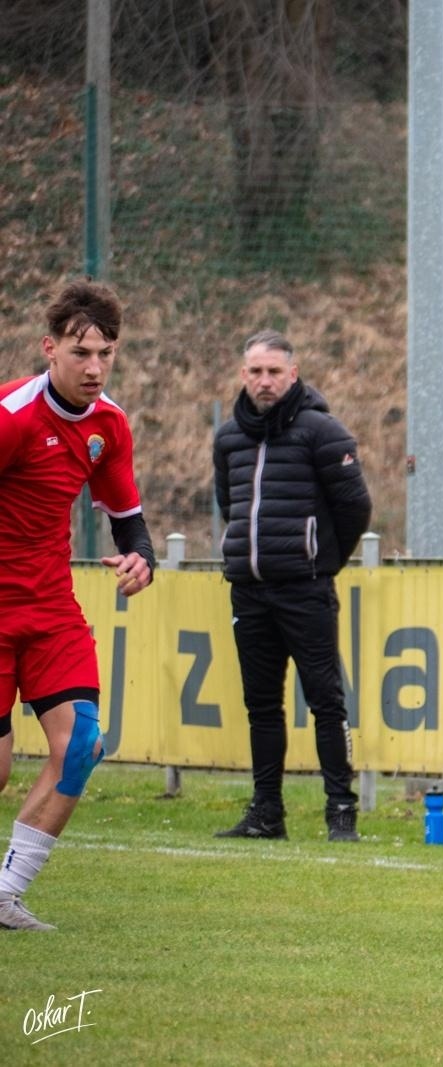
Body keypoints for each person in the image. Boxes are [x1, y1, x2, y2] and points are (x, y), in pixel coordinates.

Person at [0, 281, 155, 931]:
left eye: (107, 354)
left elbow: (128, 517)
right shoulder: (13, 416)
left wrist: (140, 557)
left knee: (83, 742)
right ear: (50, 348)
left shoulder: (109, 425)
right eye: (81, 352)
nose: (94, 367)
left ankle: (5, 893)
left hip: (50, 606)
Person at [213, 330, 372, 843]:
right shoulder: (229, 437)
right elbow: (229, 505)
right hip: (249, 591)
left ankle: (341, 812)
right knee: (261, 705)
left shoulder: (322, 432)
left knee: (326, 701)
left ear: (293, 375)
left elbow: (355, 508)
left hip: (306, 590)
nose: (264, 381)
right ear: (243, 375)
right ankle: (266, 813)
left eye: (274, 372)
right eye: (255, 372)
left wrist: (320, 562)